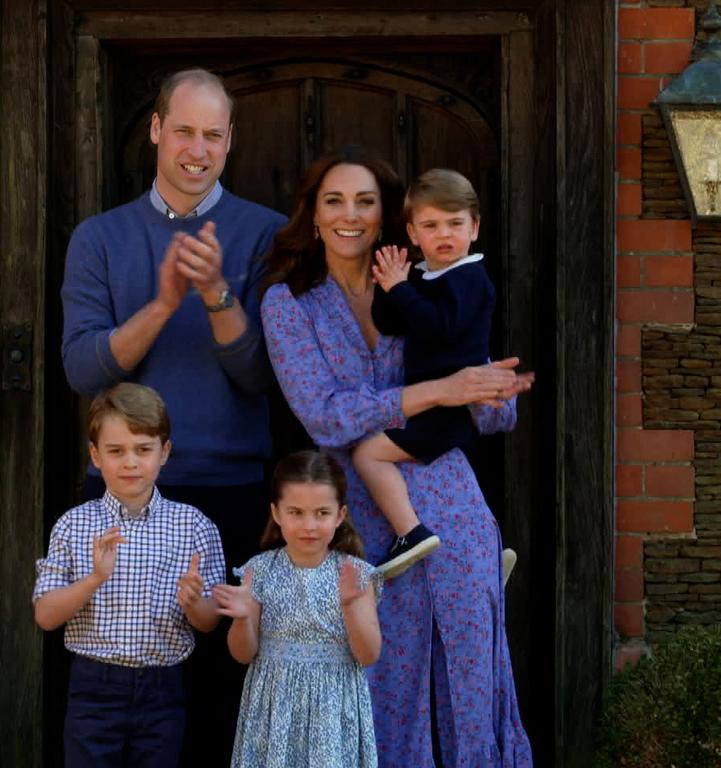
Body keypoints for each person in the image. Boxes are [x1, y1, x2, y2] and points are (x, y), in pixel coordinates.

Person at [260, 148, 534, 766]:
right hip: (359, 519)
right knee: (377, 680)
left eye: (365, 202)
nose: (349, 215)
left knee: (469, 676)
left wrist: (494, 393)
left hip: (454, 506)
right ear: (314, 214)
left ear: (387, 218)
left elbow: (489, 410)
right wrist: (440, 391)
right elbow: (323, 415)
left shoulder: (432, 282)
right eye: (334, 201)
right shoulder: (289, 303)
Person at [59, 68, 286, 764]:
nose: (197, 148)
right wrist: (161, 303)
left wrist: (216, 292)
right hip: (125, 496)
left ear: (230, 142)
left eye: (212, 135)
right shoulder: (99, 237)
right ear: (156, 130)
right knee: (127, 692)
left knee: (222, 693)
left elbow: (260, 377)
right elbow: (84, 371)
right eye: (183, 130)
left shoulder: (266, 234)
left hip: (235, 492)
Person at [32, 383, 225, 767]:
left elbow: (208, 624)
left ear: (164, 452)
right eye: (116, 451)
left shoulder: (194, 527)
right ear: (95, 455)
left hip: (162, 688)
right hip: (93, 688)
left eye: (143, 449)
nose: (131, 462)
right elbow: (45, 616)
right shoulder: (74, 525)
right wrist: (93, 579)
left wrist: (193, 603)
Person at [354, 168, 496, 578]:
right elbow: (392, 323)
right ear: (414, 234)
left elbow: (438, 327)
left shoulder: (470, 278)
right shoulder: (425, 275)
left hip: (448, 409)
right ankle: (479, 556)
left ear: (475, 227)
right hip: (430, 403)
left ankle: (410, 533)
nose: (444, 234)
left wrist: (402, 288)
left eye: (455, 223)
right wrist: (389, 285)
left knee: (368, 454)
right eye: (431, 226)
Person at [214, 450, 382, 768]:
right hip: (274, 707)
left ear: (340, 514)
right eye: (296, 512)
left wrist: (350, 606)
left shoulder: (356, 574)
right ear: (276, 513)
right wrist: (242, 619)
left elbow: (369, 654)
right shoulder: (259, 571)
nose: (309, 525)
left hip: (332, 709)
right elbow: (242, 653)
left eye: (321, 513)